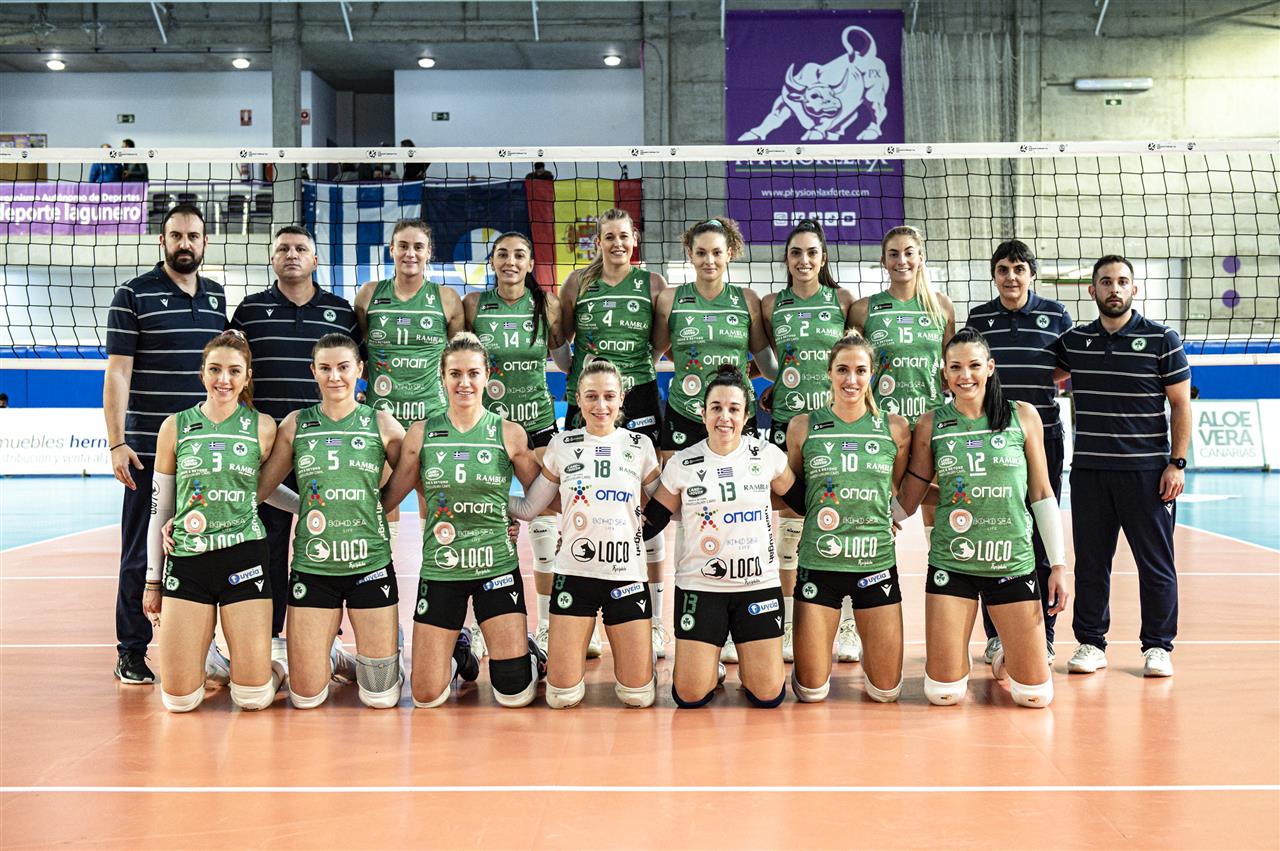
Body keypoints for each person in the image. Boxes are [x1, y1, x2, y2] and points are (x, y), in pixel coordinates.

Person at [897, 328, 1069, 709]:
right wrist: (874, 517)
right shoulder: (931, 424)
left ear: (990, 367)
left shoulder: (1022, 416)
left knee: (1035, 696)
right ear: (944, 373)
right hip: (953, 562)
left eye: (974, 366)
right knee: (943, 694)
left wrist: (1058, 565)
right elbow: (911, 494)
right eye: (956, 367)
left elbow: (1042, 493)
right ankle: (956, 656)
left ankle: (1008, 653)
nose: (965, 376)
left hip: (1011, 562)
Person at [381, 332, 546, 708]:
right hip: (442, 569)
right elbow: (390, 497)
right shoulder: (421, 434)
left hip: (495, 567)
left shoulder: (509, 434)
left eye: (473, 373)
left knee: (514, 694)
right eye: (455, 374)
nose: (464, 382)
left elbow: (542, 495)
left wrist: (517, 507)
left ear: (487, 375)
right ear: (442, 377)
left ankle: (529, 654)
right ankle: (460, 654)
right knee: (425, 695)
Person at [105, 203, 227, 684]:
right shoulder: (133, 294)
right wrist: (117, 442)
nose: (185, 244)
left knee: (203, 550)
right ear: (163, 240)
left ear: (204, 242)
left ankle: (204, 649)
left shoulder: (216, 296)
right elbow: (118, 373)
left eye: (193, 236)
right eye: (176, 235)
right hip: (149, 451)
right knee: (141, 553)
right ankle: (131, 650)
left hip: (206, 450)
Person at [1053, 255, 1191, 678]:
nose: (1114, 288)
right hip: (1091, 471)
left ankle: (1158, 647)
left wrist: (1177, 463)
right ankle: (1091, 643)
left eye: (1122, 281)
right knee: (1092, 563)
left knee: (1156, 564)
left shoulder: (1162, 339)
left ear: (1134, 289)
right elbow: (1041, 375)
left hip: (1147, 473)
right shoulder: (1075, 341)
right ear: (1092, 290)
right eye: (1106, 282)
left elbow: (1181, 404)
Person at [255, 333, 407, 709]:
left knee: (381, 696)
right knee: (305, 697)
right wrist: (304, 506)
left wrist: (378, 505)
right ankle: (336, 658)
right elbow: (260, 490)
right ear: (313, 371)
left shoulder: (382, 424)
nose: (334, 376)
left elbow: (420, 479)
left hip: (369, 565)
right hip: (314, 568)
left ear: (360, 370)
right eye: (325, 368)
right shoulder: (296, 424)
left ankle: (383, 654)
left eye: (343, 367)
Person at [652, 216, 774, 665]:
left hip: (734, 419)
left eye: (716, 252)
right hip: (685, 415)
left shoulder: (747, 300)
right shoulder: (671, 299)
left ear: (730, 254)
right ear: (689, 254)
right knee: (687, 514)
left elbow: (764, 360)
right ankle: (692, 621)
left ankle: (736, 621)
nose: (708, 260)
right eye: (700, 252)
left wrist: (752, 383)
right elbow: (653, 355)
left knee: (740, 509)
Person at [230, 226, 360, 647]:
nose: (291, 254)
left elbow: (357, 370)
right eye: (283, 249)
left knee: (327, 537)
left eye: (301, 248)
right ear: (272, 259)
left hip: (325, 448)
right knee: (266, 543)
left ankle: (325, 636)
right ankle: (267, 636)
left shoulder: (341, 311)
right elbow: (233, 372)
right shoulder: (249, 311)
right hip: (268, 449)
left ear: (315, 260)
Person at [642, 365, 799, 709]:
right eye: (716, 408)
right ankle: (709, 664)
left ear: (746, 416)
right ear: (703, 413)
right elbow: (652, 521)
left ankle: (748, 661)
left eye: (733, 409)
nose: (724, 417)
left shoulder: (767, 456)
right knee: (689, 695)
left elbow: (802, 502)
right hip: (701, 587)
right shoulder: (683, 463)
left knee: (768, 694)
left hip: (757, 586)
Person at [507, 359, 662, 708]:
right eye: (591, 396)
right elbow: (530, 509)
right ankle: (537, 659)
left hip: (626, 576)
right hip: (575, 576)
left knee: (637, 696)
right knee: (561, 696)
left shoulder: (640, 446)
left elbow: (667, 507)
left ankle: (644, 658)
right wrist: (488, 498)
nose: (600, 405)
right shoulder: (562, 445)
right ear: (577, 399)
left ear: (622, 398)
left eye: (609, 396)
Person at [142, 331, 283, 712]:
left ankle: (275, 669)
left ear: (247, 376)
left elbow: (265, 489)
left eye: (234, 371)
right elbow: (160, 507)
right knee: (179, 701)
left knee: (252, 698)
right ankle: (217, 666)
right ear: (202, 373)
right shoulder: (175, 426)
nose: (224, 379)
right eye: (215, 369)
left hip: (244, 555)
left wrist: (308, 507)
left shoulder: (263, 426)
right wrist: (153, 581)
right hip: (189, 559)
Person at [558, 209, 669, 657]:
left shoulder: (653, 284)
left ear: (634, 239)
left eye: (624, 236)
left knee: (644, 498)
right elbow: (559, 340)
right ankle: (581, 613)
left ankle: (654, 621)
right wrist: (582, 376)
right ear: (598, 242)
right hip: (587, 396)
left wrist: (629, 374)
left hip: (638, 394)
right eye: (609, 237)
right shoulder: (577, 283)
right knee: (578, 492)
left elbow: (659, 342)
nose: (617, 244)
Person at [848, 224, 955, 664]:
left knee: (941, 529)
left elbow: (951, 369)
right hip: (883, 432)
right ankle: (852, 626)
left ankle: (947, 626)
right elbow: (851, 365)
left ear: (921, 256)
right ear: (883, 261)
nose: (902, 260)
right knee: (869, 527)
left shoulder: (941, 307)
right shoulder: (864, 309)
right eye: (893, 253)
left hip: (930, 432)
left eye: (909, 252)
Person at [965, 240, 1073, 666]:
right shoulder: (979, 318)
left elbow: (1063, 367)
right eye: (1003, 269)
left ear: (1032, 273)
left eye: (1018, 269)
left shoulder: (1056, 315)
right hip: (991, 439)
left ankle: (1043, 636)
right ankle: (997, 637)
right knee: (995, 533)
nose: (1011, 277)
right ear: (995, 275)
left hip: (1044, 436)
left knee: (1041, 536)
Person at [787, 333, 910, 703]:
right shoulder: (803, 426)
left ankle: (854, 630)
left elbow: (902, 489)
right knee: (811, 692)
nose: (851, 379)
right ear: (829, 373)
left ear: (872, 374)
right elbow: (792, 493)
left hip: (875, 564)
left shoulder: (894, 427)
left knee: (886, 691)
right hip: (819, 562)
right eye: (842, 370)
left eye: (860, 370)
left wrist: (889, 514)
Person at [464, 232, 571, 654]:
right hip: (489, 427)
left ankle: (546, 625)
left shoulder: (547, 306)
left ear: (530, 264)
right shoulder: (474, 305)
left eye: (519, 255)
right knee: (485, 526)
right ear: (492, 262)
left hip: (538, 424)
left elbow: (562, 357)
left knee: (543, 520)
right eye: (503, 255)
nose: (510, 262)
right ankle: (483, 628)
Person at [761, 219, 855, 662]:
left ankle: (850, 624)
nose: (804, 260)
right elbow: (767, 358)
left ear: (823, 257)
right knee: (791, 521)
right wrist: (776, 383)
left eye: (812, 252)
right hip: (788, 422)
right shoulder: (771, 305)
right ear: (786, 258)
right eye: (796, 252)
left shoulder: (843, 301)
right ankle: (787, 625)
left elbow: (856, 359)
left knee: (845, 518)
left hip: (835, 424)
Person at [353, 218, 464, 563]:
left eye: (418, 247)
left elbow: (457, 358)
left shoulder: (446, 299)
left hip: (431, 416)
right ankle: (381, 578)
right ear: (392, 250)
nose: (410, 253)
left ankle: (438, 571)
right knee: (384, 499)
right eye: (403, 246)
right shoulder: (369, 294)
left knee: (435, 500)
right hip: (382, 418)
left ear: (429, 252)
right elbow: (360, 354)